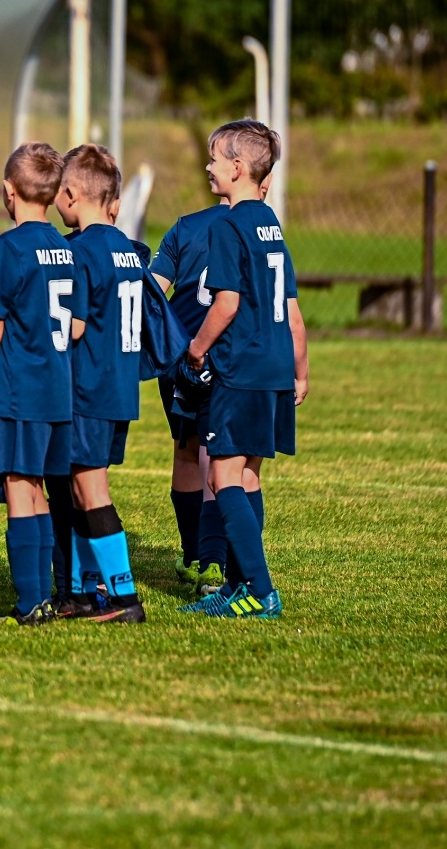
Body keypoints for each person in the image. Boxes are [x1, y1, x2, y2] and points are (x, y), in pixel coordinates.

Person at [180, 120, 309, 619]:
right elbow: (294, 315)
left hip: (241, 366)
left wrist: (196, 346)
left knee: (224, 478)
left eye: (214, 159)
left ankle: (260, 589)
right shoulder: (273, 228)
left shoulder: (228, 225)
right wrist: (300, 372)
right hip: (274, 366)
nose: (208, 167)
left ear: (237, 169)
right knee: (248, 477)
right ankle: (237, 585)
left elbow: (227, 302)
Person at [0, 143, 84, 626]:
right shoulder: (67, 246)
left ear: (8, 191)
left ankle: (29, 602)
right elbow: (77, 325)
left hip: (19, 386)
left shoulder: (10, 246)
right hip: (58, 386)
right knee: (37, 487)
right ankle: (44, 596)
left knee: (18, 488)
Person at [53, 144, 147, 624]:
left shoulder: (83, 252)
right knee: (80, 485)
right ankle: (88, 589)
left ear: (71, 194)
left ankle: (123, 596)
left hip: (88, 386)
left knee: (92, 490)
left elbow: (77, 325)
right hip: (119, 385)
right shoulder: (128, 250)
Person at [149, 177, 233, 596]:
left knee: (186, 450)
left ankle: (192, 552)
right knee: (218, 453)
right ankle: (214, 561)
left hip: (179, 354)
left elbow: (154, 292)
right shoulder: (258, 227)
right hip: (227, 354)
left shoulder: (185, 226)